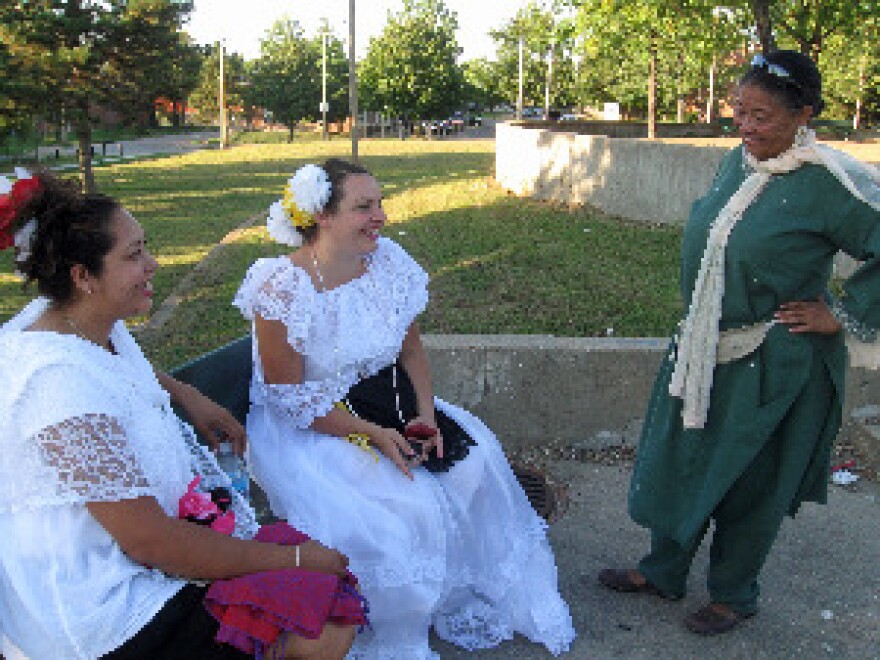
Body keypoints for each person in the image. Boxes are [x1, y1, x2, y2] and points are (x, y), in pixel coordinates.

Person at [0, 170, 367, 659]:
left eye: (145, 247)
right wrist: (294, 559)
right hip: (103, 607)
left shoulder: (80, 318)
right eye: (133, 256)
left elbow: (121, 359)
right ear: (82, 277)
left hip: (141, 555)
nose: (152, 264)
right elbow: (149, 541)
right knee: (321, 624)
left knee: (326, 594)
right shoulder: (56, 384)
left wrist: (189, 396)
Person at [234, 158, 576, 658]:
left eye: (380, 204)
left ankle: (452, 587)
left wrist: (426, 415)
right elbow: (288, 399)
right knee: (400, 499)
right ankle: (395, 611)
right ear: (321, 217)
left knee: (475, 456)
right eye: (363, 207)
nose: (381, 217)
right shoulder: (281, 289)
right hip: (313, 422)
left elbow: (410, 350)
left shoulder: (388, 263)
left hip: (383, 397)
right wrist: (370, 433)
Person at [598, 51, 880, 636]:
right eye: (738, 112)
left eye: (761, 116)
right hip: (705, 348)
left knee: (752, 481)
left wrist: (844, 315)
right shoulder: (740, 163)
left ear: (803, 115)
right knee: (682, 459)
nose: (745, 128)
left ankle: (734, 594)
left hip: (775, 359)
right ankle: (663, 571)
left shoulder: (830, 182)